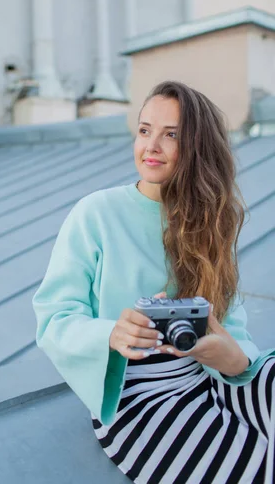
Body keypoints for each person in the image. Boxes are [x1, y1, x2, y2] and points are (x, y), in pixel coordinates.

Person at [32, 81, 275, 483]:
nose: (151, 146)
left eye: (171, 135)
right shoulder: (96, 213)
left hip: (210, 372)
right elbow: (54, 317)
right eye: (145, 130)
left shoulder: (211, 222)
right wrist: (114, 332)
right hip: (136, 395)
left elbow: (229, 326)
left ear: (198, 147)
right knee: (254, 468)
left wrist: (233, 360)